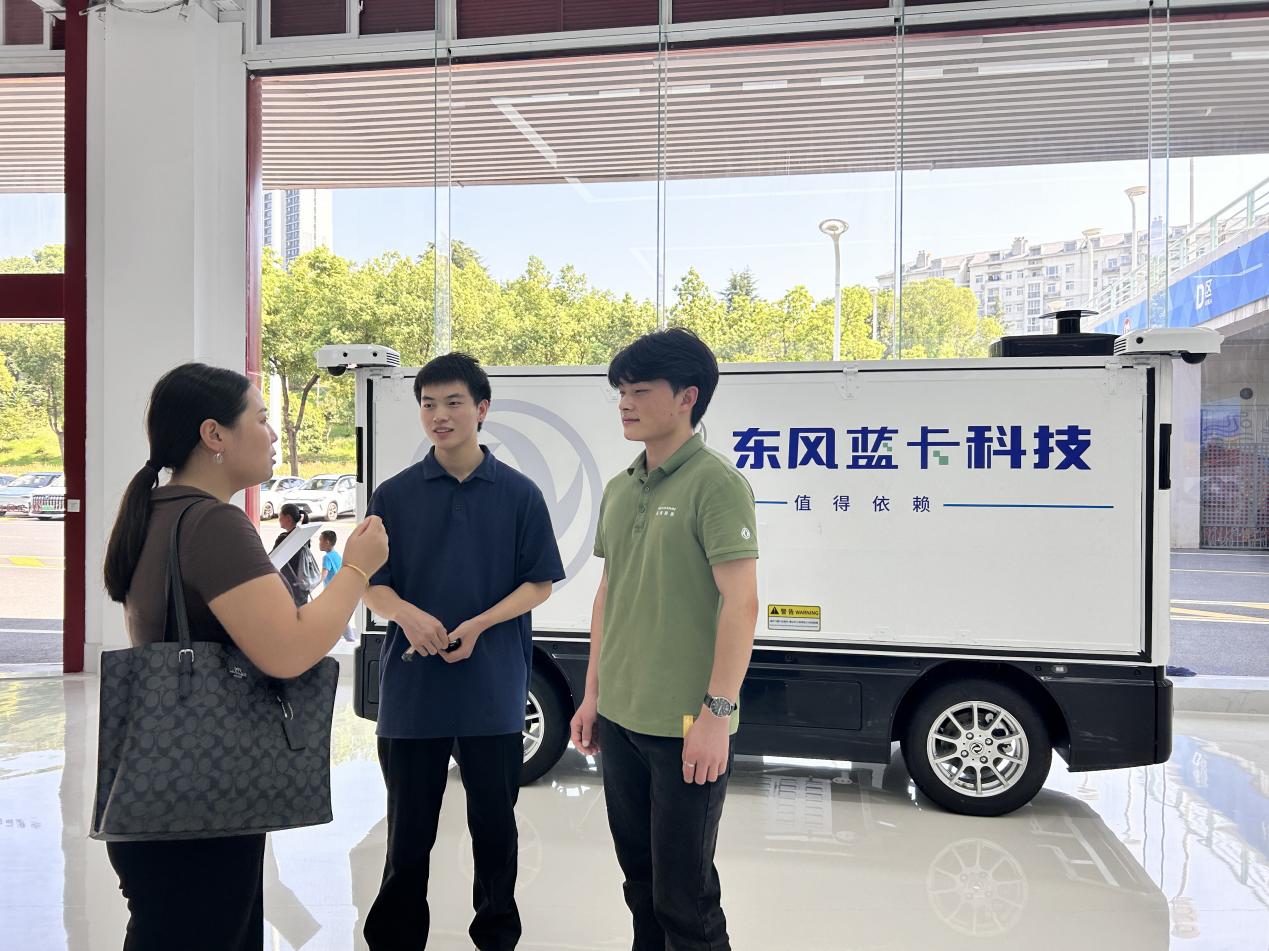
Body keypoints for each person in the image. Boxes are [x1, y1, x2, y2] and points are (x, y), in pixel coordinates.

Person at [101, 362, 388, 951]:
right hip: (202, 805)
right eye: (260, 419)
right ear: (214, 434)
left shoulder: (159, 512)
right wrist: (358, 570)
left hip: (163, 791)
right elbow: (289, 650)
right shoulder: (213, 523)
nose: (274, 433)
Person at [362, 352, 564, 951]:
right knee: (407, 836)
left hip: (492, 690)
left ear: (481, 409)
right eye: (428, 404)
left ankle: (496, 934)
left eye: (453, 403)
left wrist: (478, 625)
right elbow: (368, 582)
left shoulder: (519, 494)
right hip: (413, 693)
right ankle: (396, 938)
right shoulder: (394, 495)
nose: (439, 416)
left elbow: (539, 583)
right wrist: (407, 615)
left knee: (495, 831)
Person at [569, 328, 760, 951]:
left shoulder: (716, 483)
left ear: (687, 397)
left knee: (686, 899)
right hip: (620, 719)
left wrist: (716, 716)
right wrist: (593, 695)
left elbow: (741, 604)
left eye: (640, 390)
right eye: (621, 391)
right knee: (641, 885)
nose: (625, 403)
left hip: (686, 725)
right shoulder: (621, 487)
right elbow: (609, 595)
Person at [272, 503, 316, 607]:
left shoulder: (283, 538)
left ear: (288, 518)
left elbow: (272, 560)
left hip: (289, 584)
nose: (278, 519)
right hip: (303, 583)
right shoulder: (304, 535)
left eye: (280, 516)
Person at [319, 529, 356, 642]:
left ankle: (349, 639)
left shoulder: (327, 557)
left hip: (332, 594)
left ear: (327, 542)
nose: (319, 543)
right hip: (340, 591)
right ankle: (346, 639)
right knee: (336, 617)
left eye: (320, 540)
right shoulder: (337, 555)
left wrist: (311, 584)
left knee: (335, 617)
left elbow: (323, 576)